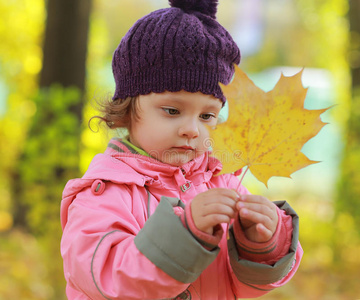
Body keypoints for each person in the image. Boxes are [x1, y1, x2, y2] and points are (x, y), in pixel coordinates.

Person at [60, 0, 303, 299]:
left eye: (207, 116)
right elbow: (108, 278)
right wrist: (184, 234)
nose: (192, 129)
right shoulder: (106, 192)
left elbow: (246, 285)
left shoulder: (223, 181)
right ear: (127, 108)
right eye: (173, 110)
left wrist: (263, 242)